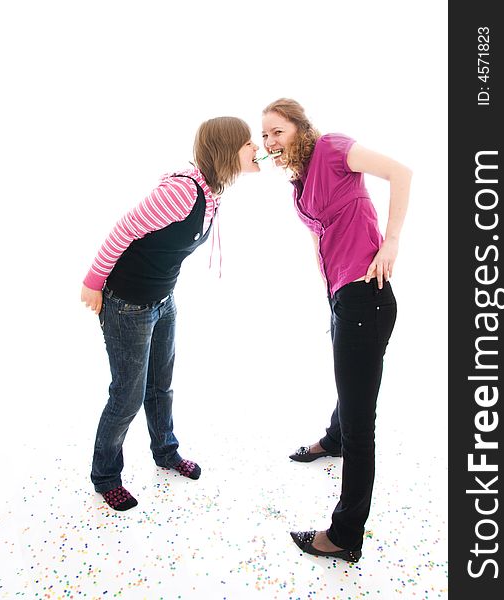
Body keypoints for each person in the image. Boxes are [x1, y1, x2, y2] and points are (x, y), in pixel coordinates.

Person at [81, 117, 259, 511]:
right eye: (249, 143)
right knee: (126, 395)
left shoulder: (212, 191)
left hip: (162, 301)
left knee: (160, 386)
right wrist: (93, 282)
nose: (257, 147)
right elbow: (123, 230)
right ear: (229, 149)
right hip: (127, 304)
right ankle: (106, 476)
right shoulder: (182, 191)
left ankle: (165, 451)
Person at [261, 99, 412, 562]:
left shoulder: (331, 148)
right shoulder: (298, 182)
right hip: (344, 296)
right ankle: (333, 438)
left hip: (367, 296)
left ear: (300, 129)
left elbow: (400, 172)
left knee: (361, 422)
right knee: (351, 385)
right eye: (264, 135)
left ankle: (345, 536)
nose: (270, 143)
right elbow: (320, 236)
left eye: (277, 132)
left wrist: (390, 243)